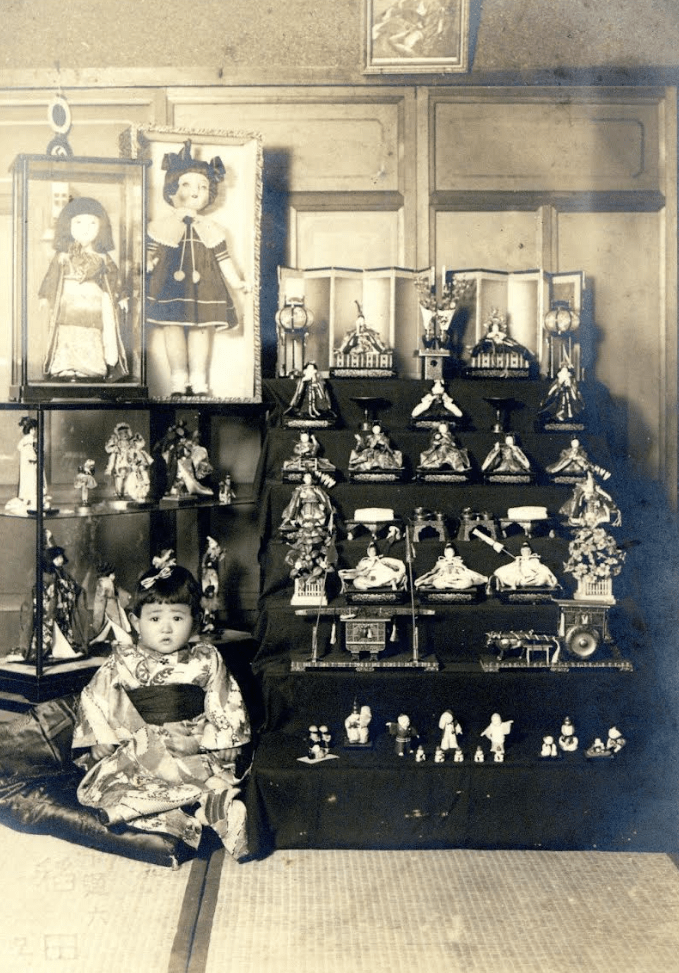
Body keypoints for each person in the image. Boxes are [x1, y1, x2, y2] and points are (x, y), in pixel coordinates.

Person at [72, 554, 251, 861]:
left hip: (189, 746)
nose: (166, 629)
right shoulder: (122, 659)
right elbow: (94, 698)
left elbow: (224, 698)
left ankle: (212, 808)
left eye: (177, 618)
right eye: (155, 619)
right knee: (110, 789)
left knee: (207, 775)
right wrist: (100, 739)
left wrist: (224, 741)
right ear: (135, 621)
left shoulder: (206, 657)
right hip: (138, 748)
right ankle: (193, 813)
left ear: (194, 620)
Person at [147, 140, 250, 397]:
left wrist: (237, 282)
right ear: (172, 188)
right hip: (170, 284)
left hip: (205, 287)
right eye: (187, 184)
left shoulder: (212, 229)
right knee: (171, 328)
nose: (196, 192)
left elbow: (223, 258)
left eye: (203, 186)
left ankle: (199, 381)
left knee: (202, 330)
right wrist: (145, 265)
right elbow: (150, 254)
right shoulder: (160, 226)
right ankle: (178, 382)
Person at [40, 196, 128, 382]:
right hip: (68, 301)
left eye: (92, 223)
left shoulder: (102, 257)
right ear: (68, 226)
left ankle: (91, 369)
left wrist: (122, 296)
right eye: (78, 222)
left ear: (101, 227)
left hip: (93, 302)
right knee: (67, 332)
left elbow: (114, 277)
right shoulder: (63, 256)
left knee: (91, 332)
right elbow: (51, 276)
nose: (85, 228)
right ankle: (65, 368)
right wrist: (44, 296)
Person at [5, 416, 47, 514]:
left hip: (28, 467)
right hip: (31, 467)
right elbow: (31, 456)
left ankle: (29, 501)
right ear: (32, 429)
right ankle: (32, 502)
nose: (35, 431)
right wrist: (37, 456)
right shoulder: (28, 441)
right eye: (34, 429)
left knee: (29, 484)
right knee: (32, 484)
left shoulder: (27, 441)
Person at [90, 562, 133, 646]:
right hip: (109, 606)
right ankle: (117, 640)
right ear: (108, 574)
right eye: (112, 574)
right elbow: (105, 597)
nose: (114, 576)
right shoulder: (105, 582)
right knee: (114, 623)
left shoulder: (104, 582)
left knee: (111, 624)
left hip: (112, 605)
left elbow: (116, 591)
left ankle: (109, 639)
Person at [415, 543, 488, 591]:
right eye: (448, 552)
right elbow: (433, 571)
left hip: (457, 577)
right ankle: (447, 585)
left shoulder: (458, 561)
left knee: (468, 582)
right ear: (445, 553)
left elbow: (466, 569)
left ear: (454, 553)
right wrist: (428, 575)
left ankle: (455, 586)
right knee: (436, 583)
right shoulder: (441, 562)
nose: (450, 554)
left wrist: (461, 567)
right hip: (444, 578)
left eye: (451, 552)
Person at [339, 542, 406, 592]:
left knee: (388, 574)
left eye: (374, 551)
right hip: (369, 573)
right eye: (371, 551)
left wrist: (380, 561)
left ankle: (392, 582)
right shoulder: (365, 560)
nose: (373, 552)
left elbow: (389, 565)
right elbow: (360, 569)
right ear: (368, 552)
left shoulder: (379, 559)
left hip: (380, 570)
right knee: (358, 581)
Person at [491, 542, 559, 590]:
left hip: (532, 577)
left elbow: (542, 568)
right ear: (521, 552)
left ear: (530, 552)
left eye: (527, 551)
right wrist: (518, 563)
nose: (525, 553)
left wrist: (551, 576)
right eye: (523, 551)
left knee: (542, 578)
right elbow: (511, 568)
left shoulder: (534, 560)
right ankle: (513, 584)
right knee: (501, 572)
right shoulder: (519, 560)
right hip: (521, 578)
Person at [538, 358, 586, 424]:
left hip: (568, 396)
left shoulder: (571, 382)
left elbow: (575, 395)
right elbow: (551, 392)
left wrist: (570, 387)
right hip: (559, 397)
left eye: (566, 371)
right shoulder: (557, 382)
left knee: (569, 404)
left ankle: (569, 415)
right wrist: (558, 387)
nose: (564, 373)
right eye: (563, 371)